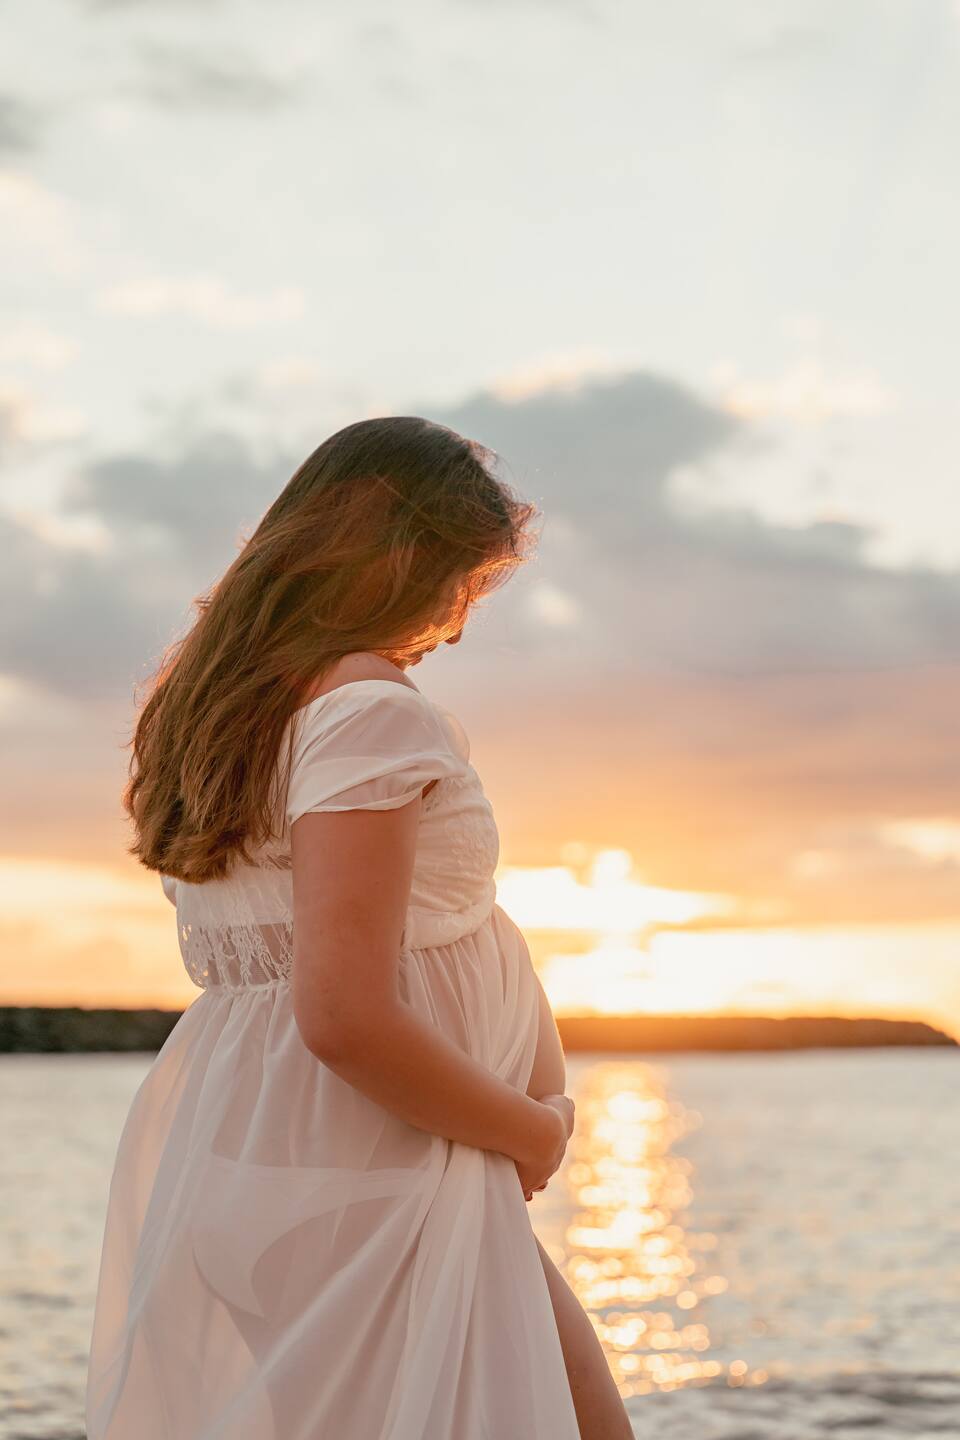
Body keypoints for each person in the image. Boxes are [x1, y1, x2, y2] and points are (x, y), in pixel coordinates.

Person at [84, 416, 634, 1438]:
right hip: (366, 1180)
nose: (458, 626)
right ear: (400, 562)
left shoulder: (223, 719)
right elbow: (342, 1013)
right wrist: (532, 1128)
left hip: (260, 1174)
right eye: (463, 585)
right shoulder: (368, 711)